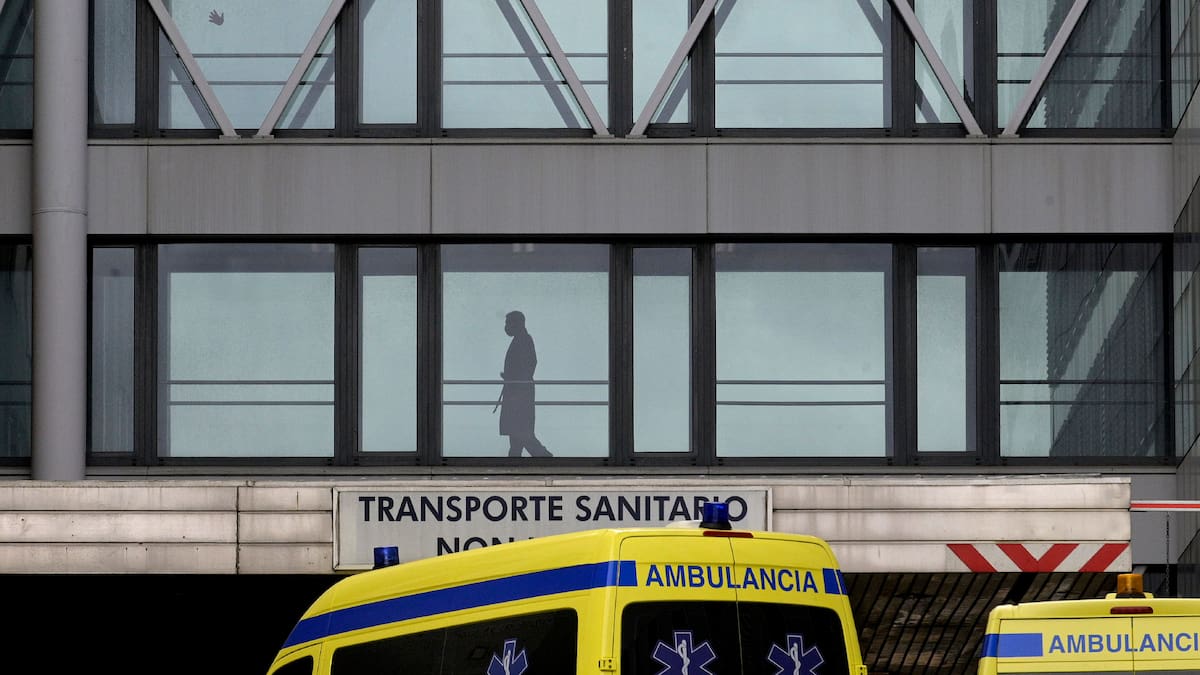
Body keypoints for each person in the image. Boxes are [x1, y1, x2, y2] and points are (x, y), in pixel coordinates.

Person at [497, 311, 552, 457]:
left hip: (519, 396)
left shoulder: (523, 340)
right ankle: (516, 464)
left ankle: (546, 459)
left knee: (522, 435)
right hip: (518, 394)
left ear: (516, 324)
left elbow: (529, 365)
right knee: (517, 437)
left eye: (508, 323)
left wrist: (513, 379)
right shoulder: (521, 340)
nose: (506, 327)